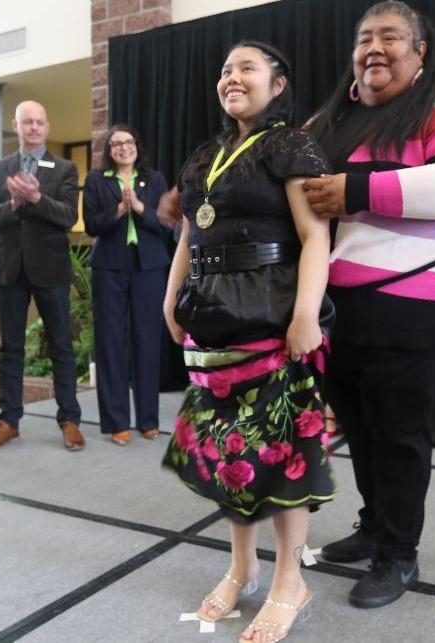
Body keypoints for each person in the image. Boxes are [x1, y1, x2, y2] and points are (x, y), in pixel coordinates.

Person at [303, 0, 435, 609]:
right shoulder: (335, 119)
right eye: (364, 39)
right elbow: (276, 167)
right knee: (360, 427)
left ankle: (399, 554)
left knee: (398, 432)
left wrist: (350, 190)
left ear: (421, 53)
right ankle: (376, 525)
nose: (374, 48)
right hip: (342, 306)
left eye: (391, 37)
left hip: (415, 305)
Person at [160, 41, 334, 643]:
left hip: (273, 313)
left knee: (281, 453)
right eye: (226, 70)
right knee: (229, 451)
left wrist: (306, 313)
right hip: (211, 316)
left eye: (247, 69)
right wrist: (169, 296)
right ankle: (241, 567)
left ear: (278, 84)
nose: (232, 77)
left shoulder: (291, 145)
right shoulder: (206, 153)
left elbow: (316, 236)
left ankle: (290, 579)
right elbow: (189, 234)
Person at [0, 100, 85, 452]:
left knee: (61, 347)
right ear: (16, 125)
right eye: (27, 122)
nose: (34, 128)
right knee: (11, 349)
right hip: (9, 268)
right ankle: (9, 421)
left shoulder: (65, 168)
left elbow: (68, 215)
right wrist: (13, 204)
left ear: (47, 127)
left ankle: (69, 420)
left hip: (51, 268)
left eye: (40, 122)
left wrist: (36, 198)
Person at [82, 125, 169, 446]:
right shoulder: (95, 181)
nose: (123, 148)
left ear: (137, 146)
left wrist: (140, 208)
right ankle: (117, 421)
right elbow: (91, 225)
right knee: (111, 343)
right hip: (109, 268)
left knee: (147, 342)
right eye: (116, 144)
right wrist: (119, 209)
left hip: (149, 268)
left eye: (128, 142)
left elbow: (166, 224)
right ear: (109, 151)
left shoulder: (155, 179)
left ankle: (148, 419)